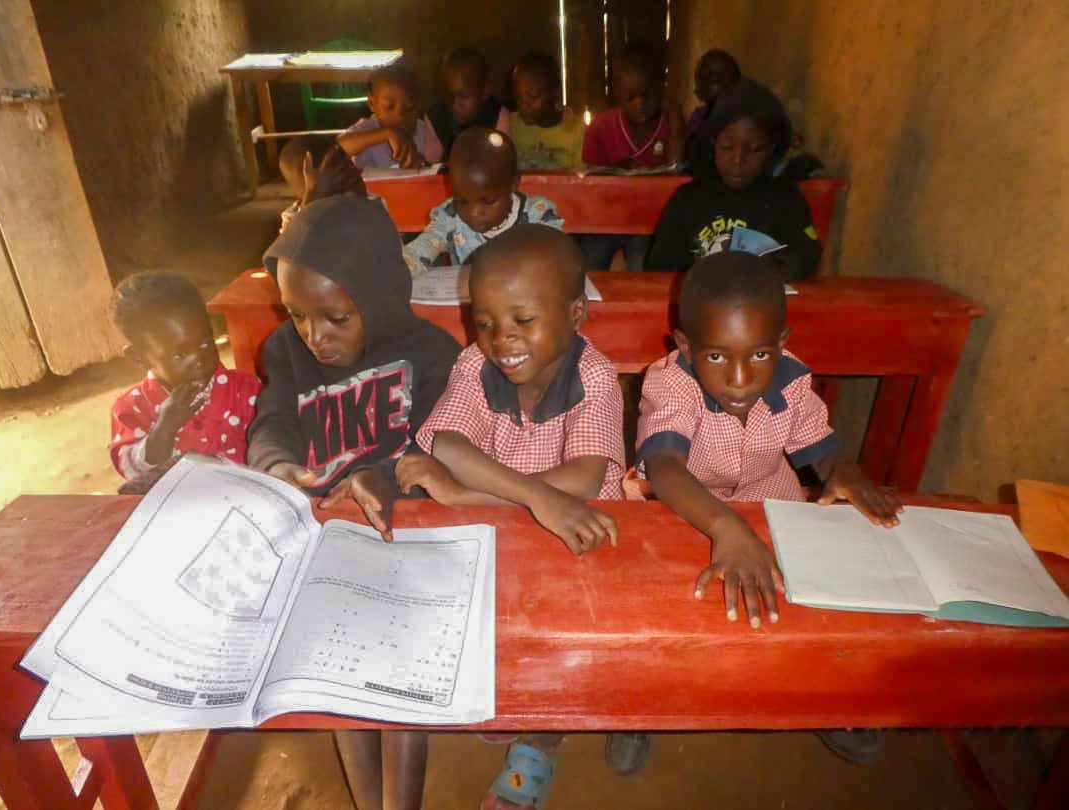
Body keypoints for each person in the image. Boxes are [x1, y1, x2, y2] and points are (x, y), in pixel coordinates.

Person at [398, 225, 650, 807]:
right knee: (490, 617)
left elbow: (584, 480)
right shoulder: (474, 365)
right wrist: (533, 498)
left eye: (523, 321)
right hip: (514, 523)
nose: (500, 339)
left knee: (576, 634)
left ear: (577, 314)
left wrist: (467, 497)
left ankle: (549, 733)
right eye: (483, 322)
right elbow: (452, 448)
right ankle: (520, 693)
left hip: (588, 533)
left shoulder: (595, 377)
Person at [635, 252, 900, 764]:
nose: (740, 378)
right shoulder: (668, 382)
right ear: (685, 347)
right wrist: (723, 525)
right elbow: (664, 467)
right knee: (666, 606)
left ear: (781, 343)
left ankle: (825, 698)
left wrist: (842, 469)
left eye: (758, 356)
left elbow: (818, 446)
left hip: (769, 498)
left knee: (810, 595)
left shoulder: (793, 380)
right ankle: (646, 706)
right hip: (685, 508)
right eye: (716, 358)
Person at [247, 194, 461, 810]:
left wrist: (386, 477)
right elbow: (274, 419)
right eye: (296, 314)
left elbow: (436, 449)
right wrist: (275, 462)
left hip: (404, 531)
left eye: (335, 317)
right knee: (335, 666)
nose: (315, 336)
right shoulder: (287, 351)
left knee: (396, 674)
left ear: (377, 295)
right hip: (326, 533)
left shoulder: (432, 356)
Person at [645, 77, 822, 280]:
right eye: (727, 147)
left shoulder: (785, 198)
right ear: (713, 145)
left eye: (754, 149)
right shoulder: (687, 200)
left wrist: (775, 268)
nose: (738, 159)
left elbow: (807, 256)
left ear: (771, 150)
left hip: (765, 305)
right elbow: (659, 267)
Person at [109, 271, 261, 490]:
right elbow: (133, 471)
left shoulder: (247, 390)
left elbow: (271, 445)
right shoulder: (131, 408)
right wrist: (165, 428)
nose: (199, 360)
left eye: (205, 343)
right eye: (180, 354)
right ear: (139, 357)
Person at [402, 128, 563, 277]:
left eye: (488, 201)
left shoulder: (537, 216)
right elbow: (419, 251)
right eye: (461, 200)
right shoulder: (450, 217)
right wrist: (397, 271)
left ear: (513, 183)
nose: (473, 213)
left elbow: (556, 256)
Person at [580, 42, 683, 271]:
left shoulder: (669, 125)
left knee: (643, 266)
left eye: (648, 95)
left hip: (647, 222)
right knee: (589, 265)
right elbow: (589, 181)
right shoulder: (601, 126)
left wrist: (675, 116)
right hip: (605, 220)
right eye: (630, 97)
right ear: (617, 93)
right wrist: (616, 172)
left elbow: (676, 168)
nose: (640, 104)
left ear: (661, 89)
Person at [337, 63, 443, 169]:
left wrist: (421, 164)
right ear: (372, 104)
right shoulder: (366, 129)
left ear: (419, 105)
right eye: (389, 107)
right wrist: (387, 134)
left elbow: (435, 166)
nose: (400, 115)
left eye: (409, 108)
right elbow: (336, 149)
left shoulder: (424, 133)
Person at [424, 47, 511, 159]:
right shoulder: (435, 117)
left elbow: (503, 160)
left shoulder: (498, 114)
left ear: (485, 91)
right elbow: (430, 165)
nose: (455, 104)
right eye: (450, 95)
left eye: (464, 96)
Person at [508, 52, 585, 171]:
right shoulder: (510, 126)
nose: (524, 104)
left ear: (555, 94)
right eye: (518, 97)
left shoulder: (577, 131)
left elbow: (582, 181)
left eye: (533, 96)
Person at [277, 138, 367, 233]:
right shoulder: (292, 221)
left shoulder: (366, 208)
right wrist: (313, 194)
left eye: (348, 162)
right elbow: (293, 244)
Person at [685, 49, 741, 142]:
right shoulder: (699, 116)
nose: (700, 85)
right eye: (700, 77)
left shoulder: (743, 121)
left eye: (712, 77)